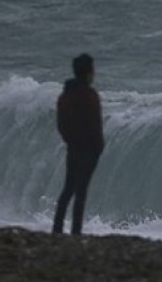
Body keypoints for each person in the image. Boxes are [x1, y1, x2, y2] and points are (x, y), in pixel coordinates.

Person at [52, 53, 105, 235]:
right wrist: (98, 147)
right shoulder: (89, 96)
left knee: (68, 189)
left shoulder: (66, 95)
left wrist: (70, 141)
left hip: (73, 147)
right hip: (88, 150)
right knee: (80, 192)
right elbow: (95, 124)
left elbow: (61, 124)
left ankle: (57, 228)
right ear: (89, 73)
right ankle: (76, 231)